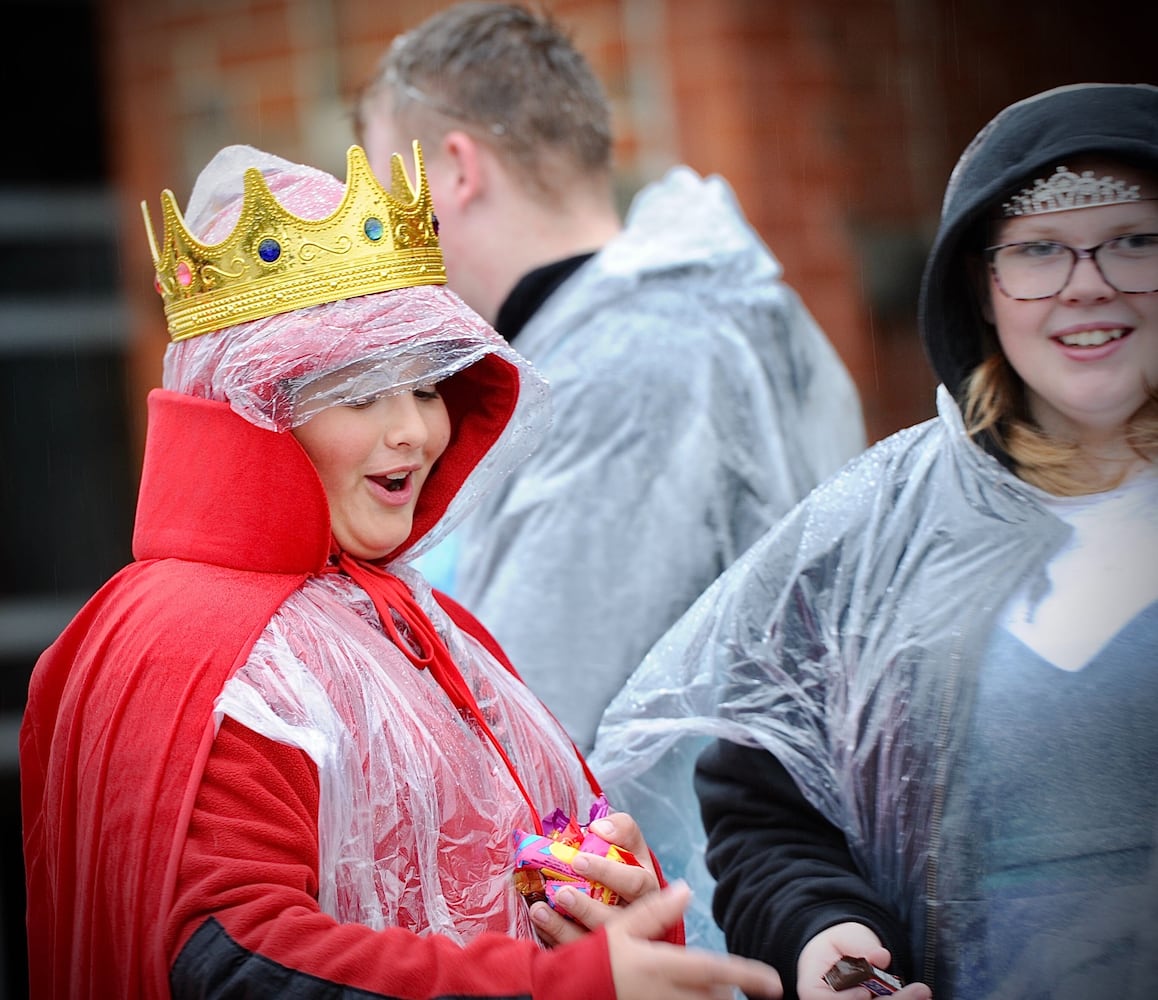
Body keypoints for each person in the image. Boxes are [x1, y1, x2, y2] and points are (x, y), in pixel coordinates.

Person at [18, 140, 784, 1000]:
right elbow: (230, 961)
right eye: (360, 393)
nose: (417, 432)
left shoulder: (415, 616)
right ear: (255, 409)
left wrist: (611, 908)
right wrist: (556, 988)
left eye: (425, 388)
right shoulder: (201, 645)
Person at [590, 80, 1158, 999]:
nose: (1085, 283)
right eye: (1038, 251)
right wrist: (828, 940)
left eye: (1135, 241)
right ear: (980, 285)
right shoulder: (881, 533)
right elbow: (767, 814)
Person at [353, 1, 868, 756]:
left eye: (387, 194)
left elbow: (527, 725)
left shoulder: (628, 367)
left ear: (458, 171)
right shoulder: (710, 310)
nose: (383, 239)